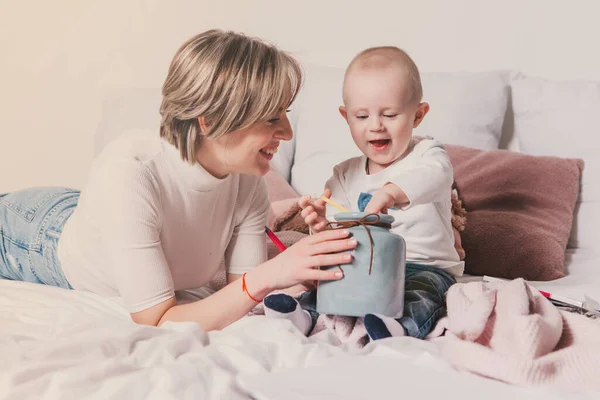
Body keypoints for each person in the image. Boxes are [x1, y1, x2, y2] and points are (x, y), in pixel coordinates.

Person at [0, 29, 358, 330]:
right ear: (209, 120)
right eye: (270, 118)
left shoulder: (247, 179)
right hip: (34, 236)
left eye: (285, 113)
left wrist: (301, 271)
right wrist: (270, 274)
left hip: (101, 214)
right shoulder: (129, 173)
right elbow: (156, 319)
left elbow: (240, 295)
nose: (287, 132)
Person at [263, 46, 464, 341]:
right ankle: (303, 315)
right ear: (346, 117)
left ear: (418, 115)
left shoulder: (427, 154)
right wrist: (320, 225)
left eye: (390, 114)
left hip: (424, 266)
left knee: (423, 296)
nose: (375, 126)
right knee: (330, 285)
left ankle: (399, 326)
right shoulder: (344, 174)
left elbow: (436, 176)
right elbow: (339, 233)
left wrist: (390, 194)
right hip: (363, 266)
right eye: (361, 116)